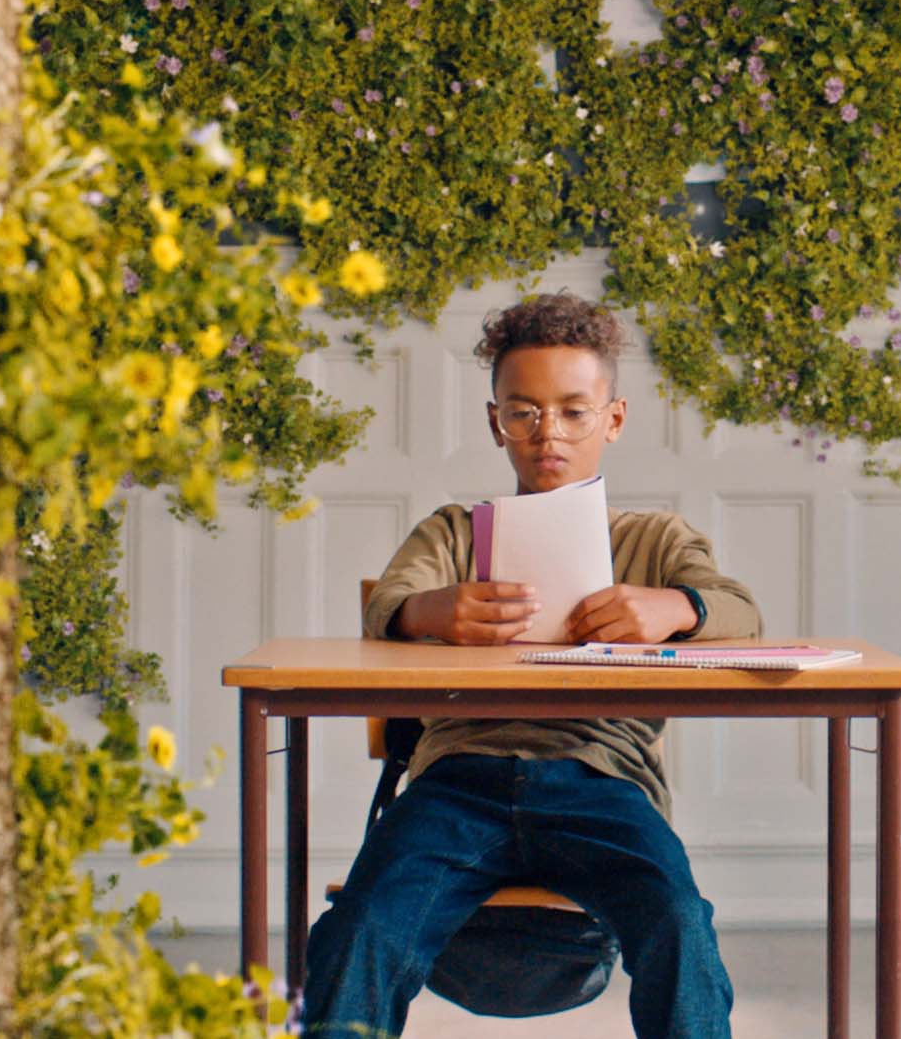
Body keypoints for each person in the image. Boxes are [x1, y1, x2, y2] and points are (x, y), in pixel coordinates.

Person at [300, 291, 762, 1039]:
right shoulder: (454, 532)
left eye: (574, 412)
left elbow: (737, 606)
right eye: (524, 412)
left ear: (612, 419)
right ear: (496, 422)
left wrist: (676, 608)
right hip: (460, 781)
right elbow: (389, 601)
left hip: (601, 783)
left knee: (679, 922)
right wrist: (430, 612)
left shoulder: (653, 538)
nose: (549, 433)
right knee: (361, 925)